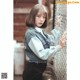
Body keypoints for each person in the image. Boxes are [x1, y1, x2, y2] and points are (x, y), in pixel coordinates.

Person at [23, 4, 66, 80]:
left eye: (44, 17)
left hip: (38, 70)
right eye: (38, 16)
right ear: (32, 16)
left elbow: (51, 40)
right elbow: (42, 54)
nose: (41, 20)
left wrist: (58, 26)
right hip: (33, 72)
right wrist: (59, 46)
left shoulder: (39, 32)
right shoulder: (31, 34)